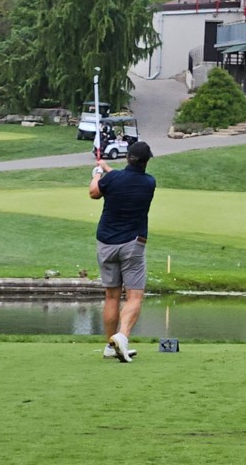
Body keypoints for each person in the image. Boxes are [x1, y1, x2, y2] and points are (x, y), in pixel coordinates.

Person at [89, 141, 157, 363]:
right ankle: (122, 338)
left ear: (127, 157)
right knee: (135, 295)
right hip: (132, 244)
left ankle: (111, 344)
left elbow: (94, 192)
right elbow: (125, 179)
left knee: (111, 296)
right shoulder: (149, 183)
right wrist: (106, 170)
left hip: (106, 242)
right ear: (147, 161)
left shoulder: (113, 179)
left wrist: (98, 172)